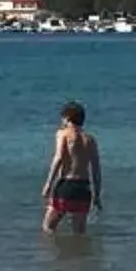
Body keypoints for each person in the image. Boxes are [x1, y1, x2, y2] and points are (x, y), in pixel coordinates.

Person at [42, 101, 101, 235]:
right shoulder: (90, 139)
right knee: (79, 233)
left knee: (48, 228)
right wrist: (97, 195)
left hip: (67, 185)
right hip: (84, 188)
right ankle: (79, 256)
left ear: (67, 118)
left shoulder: (63, 134)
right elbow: (96, 169)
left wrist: (48, 185)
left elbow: (58, 158)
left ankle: (55, 255)